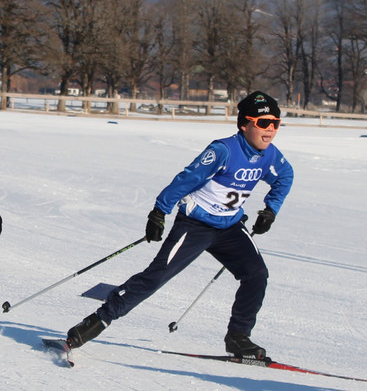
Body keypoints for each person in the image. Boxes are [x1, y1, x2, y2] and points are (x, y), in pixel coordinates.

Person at [66, 91, 293, 359]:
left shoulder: (270, 155)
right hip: (196, 225)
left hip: (230, 227)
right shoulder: (223, 150)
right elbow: (186, 180)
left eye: (275, 123)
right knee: (157, 276)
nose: (270, 130)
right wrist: (159, 212)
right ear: (244, 124)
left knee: (256, 275)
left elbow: (285, 177)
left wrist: (270, 210)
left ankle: (238, 337)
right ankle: (98, 320)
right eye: (263, 123)